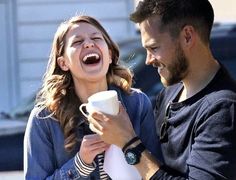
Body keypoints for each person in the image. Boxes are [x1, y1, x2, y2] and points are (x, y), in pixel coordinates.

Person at [88, 0, 236, 179]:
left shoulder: (223, 109)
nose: (148, 60)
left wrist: (128, 143)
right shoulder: (170, 93)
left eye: (154, 48)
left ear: (187, 36)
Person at [24, 15, 162, 179]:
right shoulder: (44, 119)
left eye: (96, 38)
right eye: (77, 42)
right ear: (63, 63)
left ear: (109, 55)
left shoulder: (138, 104)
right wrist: (80, 164)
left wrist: (128, 142)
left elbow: (157, 171)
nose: (89, 43)